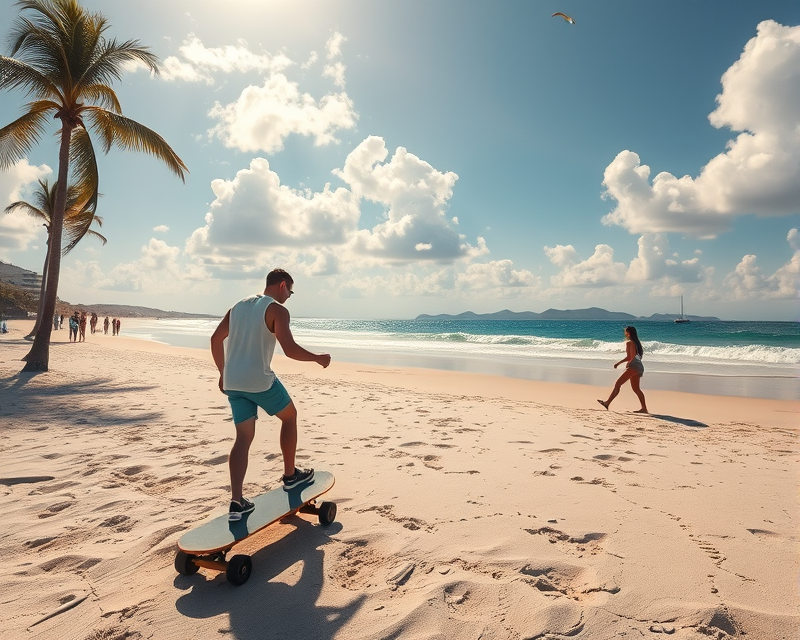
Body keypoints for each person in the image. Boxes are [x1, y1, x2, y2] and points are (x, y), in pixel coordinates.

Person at [210, 268, 331, 521]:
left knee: (243, 437)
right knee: (289, 416)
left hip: (234, 383)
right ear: (283, 285)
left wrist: (224, 374)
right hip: (260, 382)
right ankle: (290, 476)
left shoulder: (237, 307)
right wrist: (317, 358)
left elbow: (215, 339)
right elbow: (289, 349)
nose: (289, 297)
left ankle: (237, 501)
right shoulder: (277, 310)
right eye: (291, 291)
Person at [598, 326, 648, 413]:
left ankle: (607, 403)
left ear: (628, 333)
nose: (625, 333)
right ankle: (644, 408)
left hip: (634, 367)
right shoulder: (637, 343)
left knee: (618, 384)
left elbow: (630, 357)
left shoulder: (629, 343)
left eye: (625, 332)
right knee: (636, 389)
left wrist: (618, 363)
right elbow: (637, 357)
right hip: (639, 367)